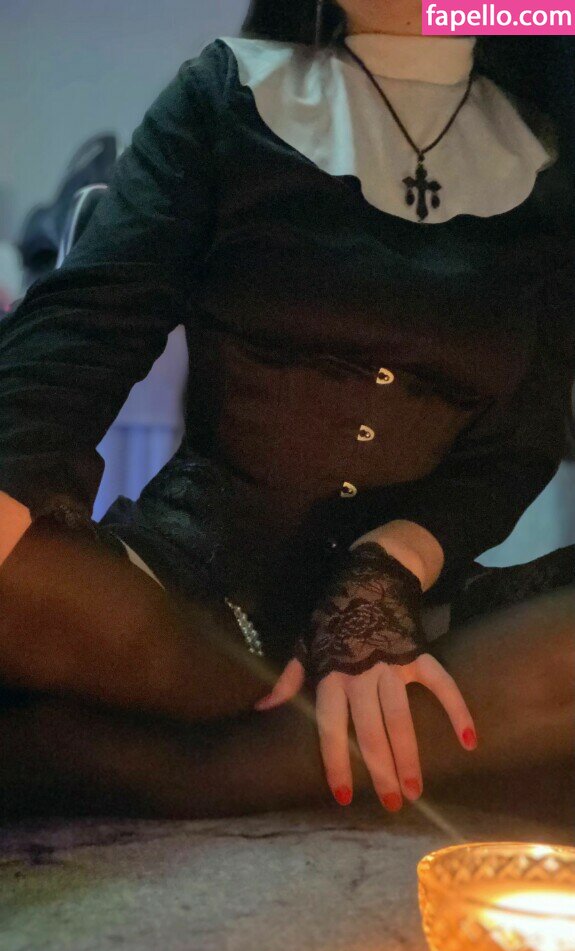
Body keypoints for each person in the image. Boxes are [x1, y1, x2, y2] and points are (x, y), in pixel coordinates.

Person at [0, 0, 574, 820]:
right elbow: (93, 316)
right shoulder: (227, 91)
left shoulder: (551, 161)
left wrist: (383, 572)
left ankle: (146, 764)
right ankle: (301, 756)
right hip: (187, 602)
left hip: (414, 612)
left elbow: (519, 442)